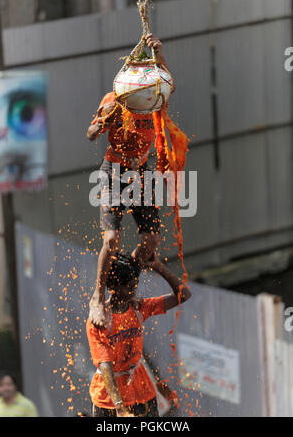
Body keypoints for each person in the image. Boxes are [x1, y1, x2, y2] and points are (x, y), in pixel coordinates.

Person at [87, 34, 175, 327]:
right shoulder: (117, 98)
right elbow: (90, 134)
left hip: (141, 173)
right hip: (114, 171)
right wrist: (103, 122)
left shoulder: (152, 97)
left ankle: (125, 286)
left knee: (150, 242)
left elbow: (168, 81)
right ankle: (98, 297)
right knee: (111, 238)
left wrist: (158, 51)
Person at [86, 252, 191, 417]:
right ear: (114, 287)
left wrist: (158, 266)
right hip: (109, 399)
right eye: (128, 286)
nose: (133, 289)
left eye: (135, 284)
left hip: (141, 390)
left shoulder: (138, 308)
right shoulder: (100, 320)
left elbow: (184, 295)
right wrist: (119, 407)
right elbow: (106, 366)